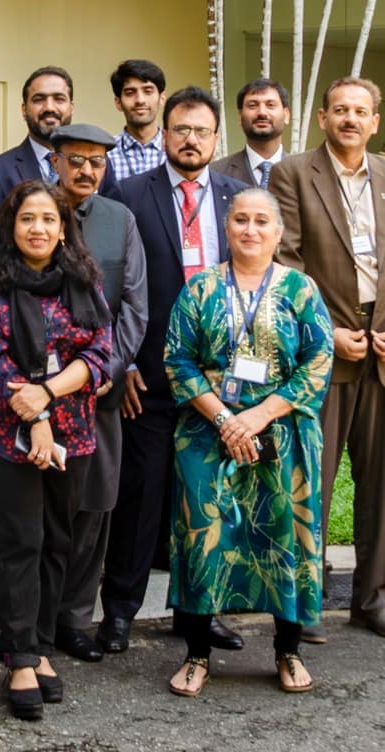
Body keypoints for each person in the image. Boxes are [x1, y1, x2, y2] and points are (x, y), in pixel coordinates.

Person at [270, 76, 385, 645]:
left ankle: (374, 599)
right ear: (322, 118)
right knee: (312, 481)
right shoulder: (292, 173)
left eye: (360, 111)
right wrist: (327, 331)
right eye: (339, 109)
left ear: (374, 122)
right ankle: (305, 599)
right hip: (325, 352)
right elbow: (286, 260)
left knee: (380, 483)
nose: (349, 119)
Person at [163, 189, 334, 699]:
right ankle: (196, 654)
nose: (251, 229)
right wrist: (225, 419)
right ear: (228, 226)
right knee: (202, 537)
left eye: (262, 221)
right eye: (241, 219)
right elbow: (178, 361)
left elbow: (319, 362)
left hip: (283, 433)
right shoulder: (200, 288)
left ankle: (288, 650)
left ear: (278, 232)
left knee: (287, 536)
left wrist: (258, 415)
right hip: (207, 432)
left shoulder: (301, 290)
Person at [102, 88, 247, 654]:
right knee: (140, 498)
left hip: (220, 381)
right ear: (165, 135)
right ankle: (119, 611)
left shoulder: (239, 198)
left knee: (207, 500)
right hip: (150, 374)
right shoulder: (131, 194)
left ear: (217, 139)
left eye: (202, 131)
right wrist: (126, 362)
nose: (191, 140)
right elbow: (112, 285)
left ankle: (200, 614)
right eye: (181, 130)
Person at [0, 182, 114, 721]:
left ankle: (43, 645)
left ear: (63, 227)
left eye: (48, 219)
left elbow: (101, 350)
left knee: (57, 540)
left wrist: (51, 396)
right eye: (27, 218)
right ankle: (19, 655)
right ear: (11, 225)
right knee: (20, 541)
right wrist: (39, 421)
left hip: (72, 434)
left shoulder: (82, 279)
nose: (38, 229)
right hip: (7, 437)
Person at [46, 123, 147, 665]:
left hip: (99, 391)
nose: (87, 171)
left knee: (93, 508)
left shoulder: (120, 220)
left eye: (97, 162)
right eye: (76, 160)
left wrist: (108, 367)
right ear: (55, 161)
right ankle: (34, 618)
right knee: (39, 508)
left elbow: (135, 304)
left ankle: (74, 617)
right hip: (40, 394)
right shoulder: (33, 212)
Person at [0, 66, 75, 207]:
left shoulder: (95, 166)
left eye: (59, 99)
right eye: (39, 99)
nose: (49, 107)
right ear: (24, 109)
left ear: (71, 107)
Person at [212, 79, 289, 187]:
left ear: (286, 115)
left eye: (270, 105)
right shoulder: (215, 174)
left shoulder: (303, 173)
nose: (262, 112)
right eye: (253, 105)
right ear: (239, 117)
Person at [106, 60, 167, 183]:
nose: (140, 100)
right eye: (130, 93)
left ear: (162, 98)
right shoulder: (105, 155)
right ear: (118, 103)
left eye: (148, 91)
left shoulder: (177, 150)